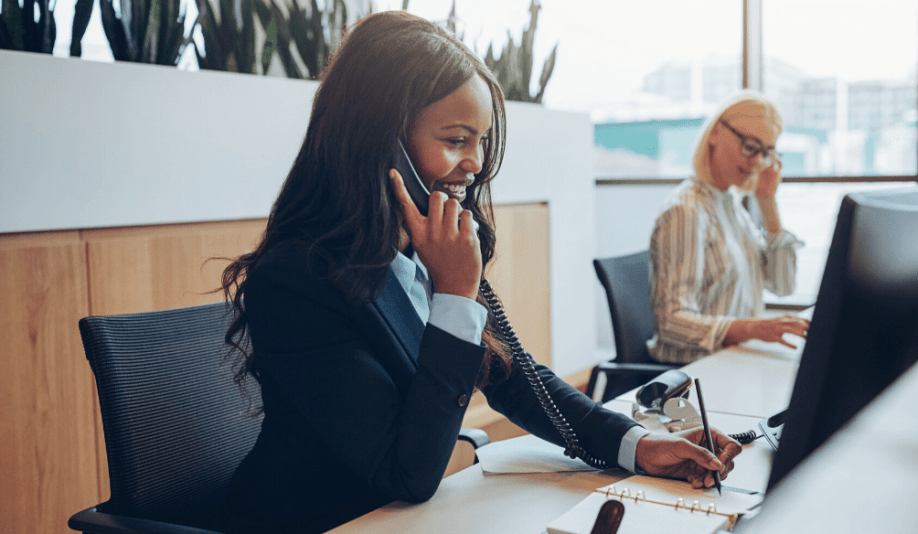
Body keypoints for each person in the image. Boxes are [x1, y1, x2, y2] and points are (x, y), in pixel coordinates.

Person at [218, 11, 742, 534]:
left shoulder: (419, 252)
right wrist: (455, 295)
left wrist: (638, 445)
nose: (475, 163)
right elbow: (407, 473)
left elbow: (516, 379)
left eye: (482, 140)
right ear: (381, 142)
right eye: (455, 139)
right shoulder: (297, 279)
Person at [647, 91, 811, 365]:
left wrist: (767, 202)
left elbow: (783, 285)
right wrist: (752, 329)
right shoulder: (686, 211)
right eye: (750, 146)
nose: (758, 162)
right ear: (715, 134)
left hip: (733, 360)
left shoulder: (730, 205)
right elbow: (671, 322)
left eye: (766, 152)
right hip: (694, 374)